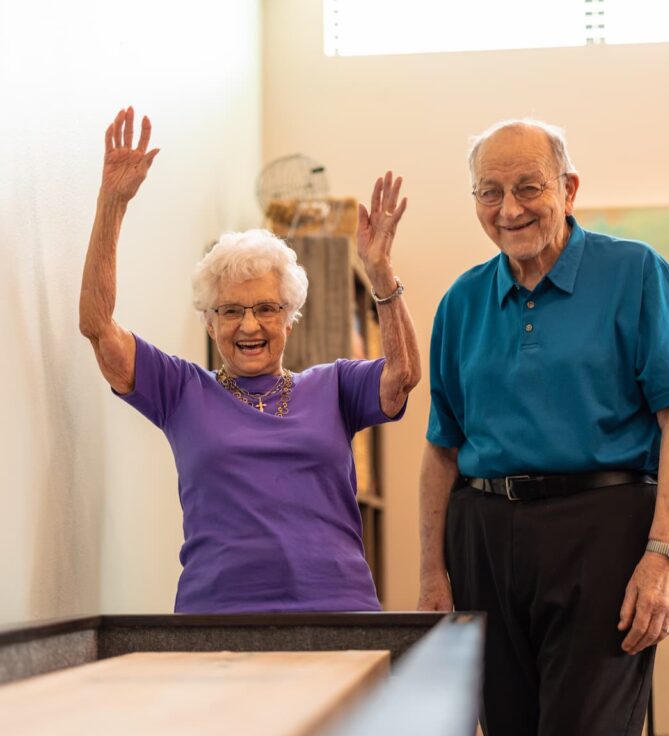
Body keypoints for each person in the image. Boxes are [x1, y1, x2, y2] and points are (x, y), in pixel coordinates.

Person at [417, 119, 669, 736]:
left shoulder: (635, 272)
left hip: (603, 532)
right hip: (484, 537)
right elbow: (443, 448)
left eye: (528, 187)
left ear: (569, 188)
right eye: (489, 192)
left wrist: (667, 554)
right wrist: (433, 572)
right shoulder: (461, 301)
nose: (510, 208)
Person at [79, 107, 420, 613]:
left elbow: (403, 375)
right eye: (231, 311)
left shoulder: (334, 387)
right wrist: (112, 204)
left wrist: (381, 274)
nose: (250, 326)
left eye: (266, 308)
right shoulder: (181, 391)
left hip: (340, 618)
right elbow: (98, 327)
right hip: (218, 623)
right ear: (209, 322)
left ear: (290, 316)